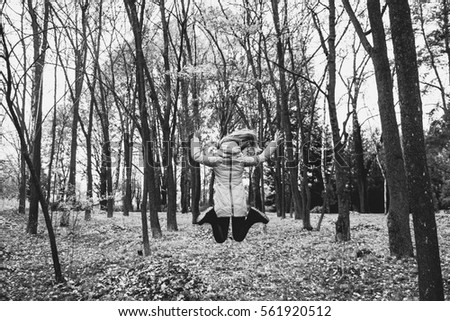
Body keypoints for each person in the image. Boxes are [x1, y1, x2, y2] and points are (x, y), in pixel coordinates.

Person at [190, 129, 283, 243]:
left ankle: (212, 218)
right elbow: (262, 157)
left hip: (222, 202)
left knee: (220, 238)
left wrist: (196, 139)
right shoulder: (241, 160)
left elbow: (196, 156)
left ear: (221, 148)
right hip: (238, 203)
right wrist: (274, 143)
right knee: (238, 236)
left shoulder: (216, 160)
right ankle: (253, 216)